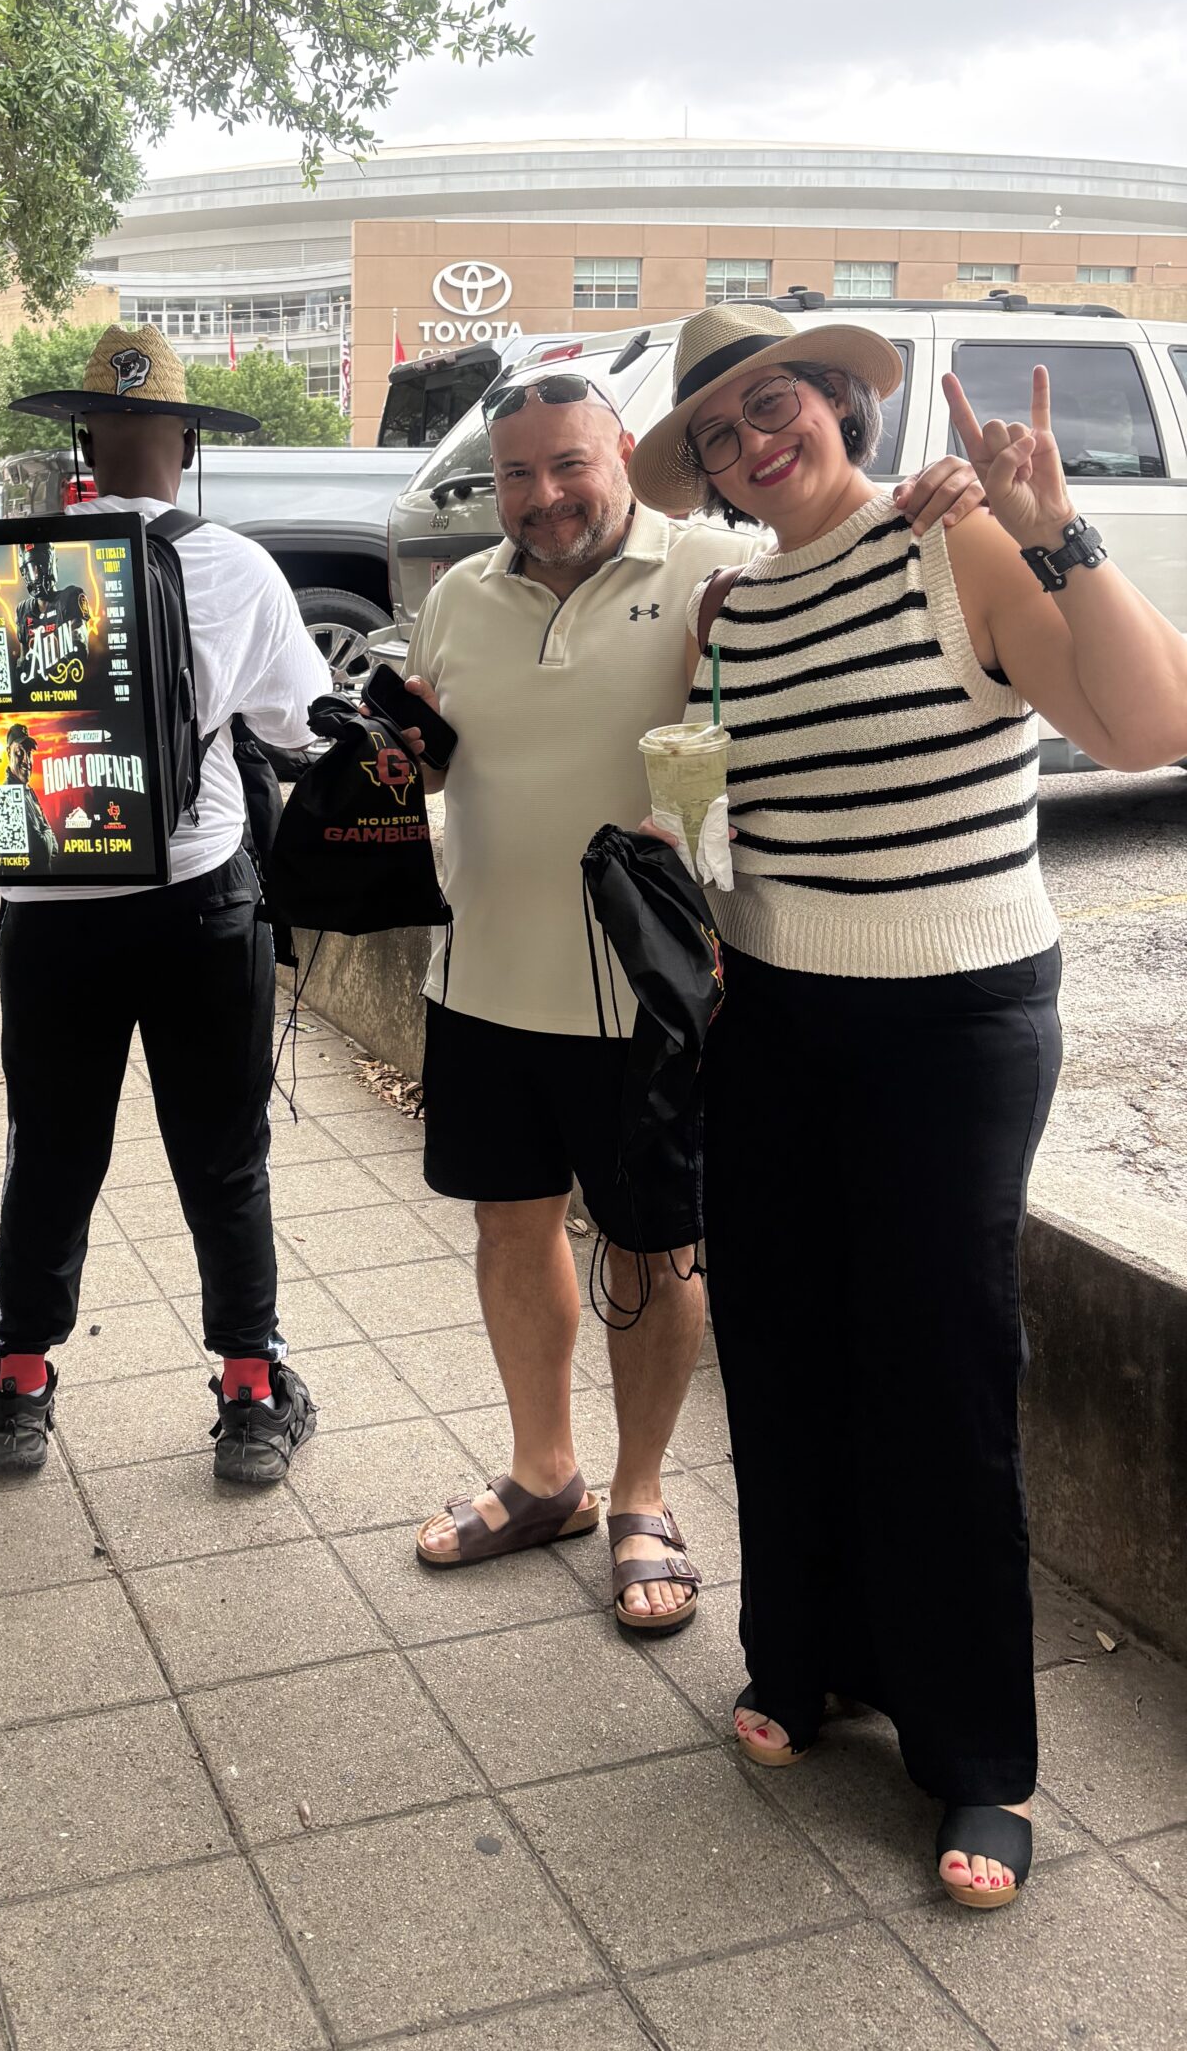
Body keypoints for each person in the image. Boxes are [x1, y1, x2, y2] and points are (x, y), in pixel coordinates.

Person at [629, 301, 1187, 1907]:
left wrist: (1055, 525)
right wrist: (677, 851)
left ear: (837, 402)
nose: (753, 443)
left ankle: (978, 1756)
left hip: (955, 1019)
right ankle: (809, 1659)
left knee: (939, 1375)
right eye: (719, 433)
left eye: (775, 405)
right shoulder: (730, 613)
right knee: (784, 1351)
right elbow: (729, 818)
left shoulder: (956, 543)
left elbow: (1146, 728)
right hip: (773, 1015)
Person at [396, 368, 750, 1628]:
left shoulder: (713, 566)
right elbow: (436, 766)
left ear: (624, 455)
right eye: (516, 473)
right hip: (483, 974)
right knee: (508, 1227)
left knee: (654, 1248)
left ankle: (643, 1494)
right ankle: (544, 1474)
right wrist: (394, 756)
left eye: (569, 464)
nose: (543, 495)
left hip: (646, 999)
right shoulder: (458, 595)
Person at [0, 324, 330, 1484]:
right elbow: (298, 725)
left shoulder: (14, 567)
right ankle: (251, 1389)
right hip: (199, 898)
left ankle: (20, 1378)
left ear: (84, 439)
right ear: (188, 444)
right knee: (225, 1152)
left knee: (51, 1145)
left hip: (54, 898)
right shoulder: (241, 567)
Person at [1, 722, 60, 867]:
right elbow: (43, 852)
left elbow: (55, 847)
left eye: (29, 753)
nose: (26, 760)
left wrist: (44, 834)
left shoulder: (28, 791)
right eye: (20, 752)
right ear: (8, 752)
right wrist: (47, 830)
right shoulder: (8, 796)